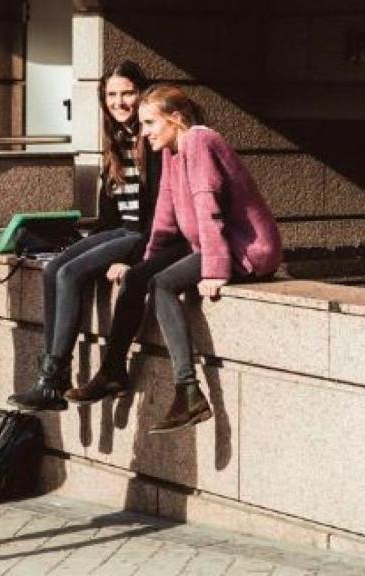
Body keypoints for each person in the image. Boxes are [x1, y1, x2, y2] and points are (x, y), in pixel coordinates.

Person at [6, 60, 181, 411]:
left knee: (71, 274)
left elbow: (162, 212)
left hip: (143, 234)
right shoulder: (116, 138)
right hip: (121, 228)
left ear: (142, 93)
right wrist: (84, 245)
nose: (119, 102)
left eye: (127, 93)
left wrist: (130, 258)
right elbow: (109, 214)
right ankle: (52, 378)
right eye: (111, 95)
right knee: (55, 266)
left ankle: (53, 379)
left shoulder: (154, 137)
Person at [136, 84, 282, 434]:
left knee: (163, 286)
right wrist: (147, 261)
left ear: (176, 118)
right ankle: (187, 393)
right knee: (154, 280)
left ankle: (188, 392)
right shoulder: (173, 151)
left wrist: (215, 270)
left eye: (150, 123)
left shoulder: (199, 142)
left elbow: (209, 207)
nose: (144, 133)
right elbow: (165, 215)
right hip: (218, 249)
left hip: (246, 251)